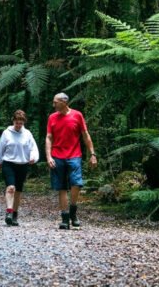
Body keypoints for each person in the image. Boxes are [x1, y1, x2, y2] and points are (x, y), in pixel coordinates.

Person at [45, 92, 97, 229]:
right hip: (57, 156)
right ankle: (65, 218)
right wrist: (49, 156)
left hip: (74, 155)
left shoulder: (77, 115)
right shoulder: (52, 117)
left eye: (55, 102)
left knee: (76, 184)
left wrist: (92, 154)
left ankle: (73, 211)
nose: (53, 104)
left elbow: (85, 135)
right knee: (61, 187)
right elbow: (49, 137)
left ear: (64, 102)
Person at [0, 110, 39, 226]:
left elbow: (33, 148)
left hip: (23, 165)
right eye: (17, 123)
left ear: (23, 123)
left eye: (21, 123)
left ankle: (15, 215)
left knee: (18, 191)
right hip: (9, 163)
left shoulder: (27, 134)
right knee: (11, 187)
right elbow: (0, 149)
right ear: (13, 121)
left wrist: (33, 157)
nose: (18, 125)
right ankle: (8, 212)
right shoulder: (6, 133)